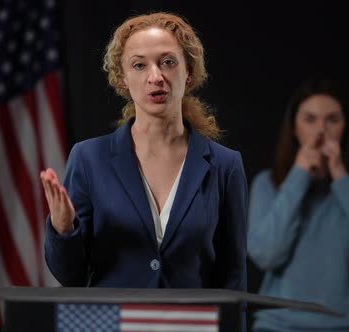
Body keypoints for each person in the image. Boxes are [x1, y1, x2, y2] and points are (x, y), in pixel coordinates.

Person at [40, 12, 247, 295]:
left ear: (188, 72)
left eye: (168, 62)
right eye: (139, 65)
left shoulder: (225, 165)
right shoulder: (88, 158)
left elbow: (234, 280)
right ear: (122, 78)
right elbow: (70, 275)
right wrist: (63, 229)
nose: (156, 77)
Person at [246, 77, 349, 332]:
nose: (321, 131)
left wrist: (340, 176)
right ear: (294, 128)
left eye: (332, 120)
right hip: (282, 325)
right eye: (310, 119)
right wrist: (299, 176)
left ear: (345, 128)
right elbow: (266, 255)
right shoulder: (267, 184)